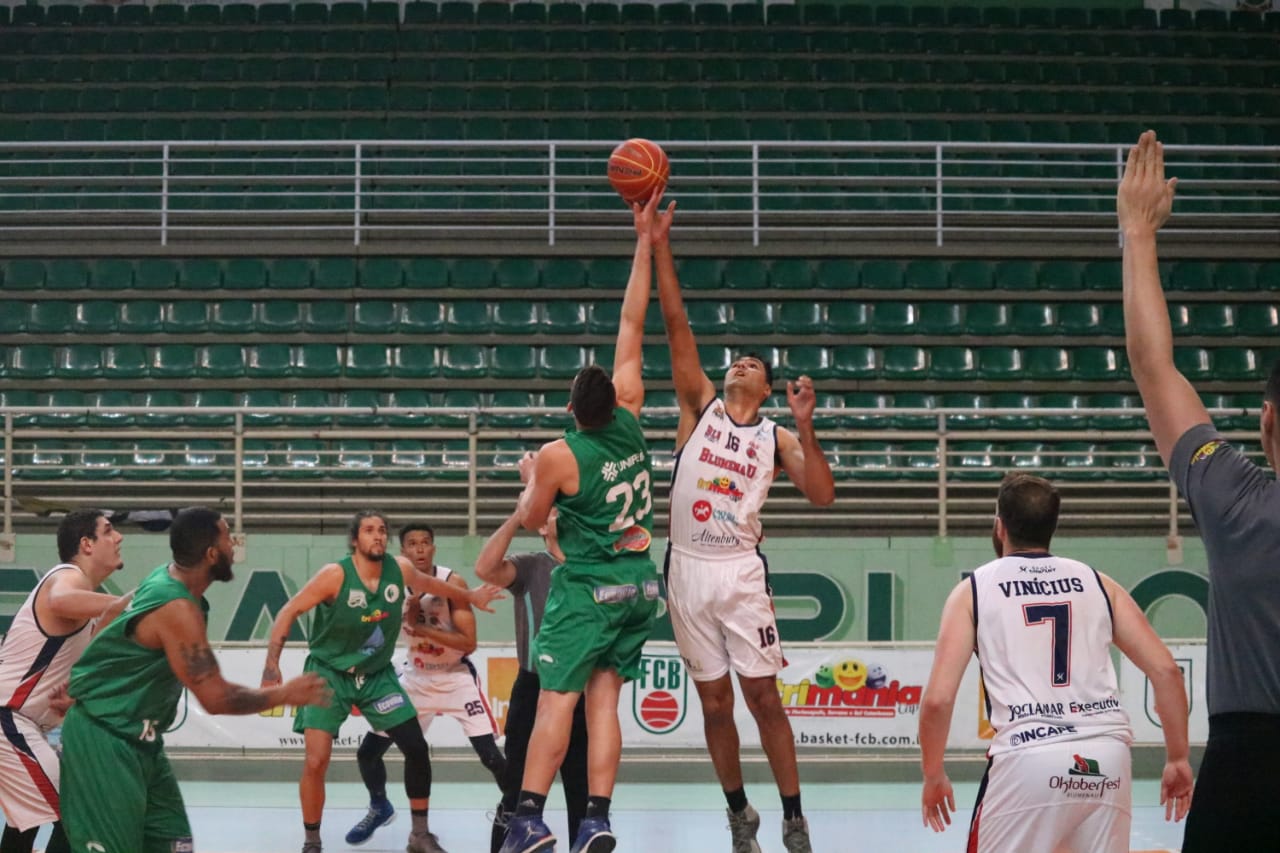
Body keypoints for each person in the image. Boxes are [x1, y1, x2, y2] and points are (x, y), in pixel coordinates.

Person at [651, 203, 835, 853]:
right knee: (717, 706)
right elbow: (675, 323)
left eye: (753, 364)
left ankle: (793, 815)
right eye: (737, 361)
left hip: (738, 571)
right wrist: (659, 244)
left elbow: (820, 495)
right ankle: (739, 812)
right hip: (684, 566)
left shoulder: (778, 435)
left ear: (768, 386)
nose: (740, 365)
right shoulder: (698, 404)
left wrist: (807, 425)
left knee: (762, 697)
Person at [1118, 129, 1280, 851]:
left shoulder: (1237, 498)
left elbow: (1155, 368)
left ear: (1267, 421)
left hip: (1247, 770)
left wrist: (1138, 234)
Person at [499, 192, 667, 853]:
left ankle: (529, 817)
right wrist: (644, 240)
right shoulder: (630, 413)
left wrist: (528, 483)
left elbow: (533, 523)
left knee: (555, 703)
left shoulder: (558, 456)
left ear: (572, 406)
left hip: (589, 588)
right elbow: (632, 318)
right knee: (605, 704)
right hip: (639, 588)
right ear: (613, 399)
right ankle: (595, 816)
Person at [918, 473, 1194, 851]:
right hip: (1107, 757)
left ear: (999, 525)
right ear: (1052, 526)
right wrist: (1178, 756)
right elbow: (1165, 671)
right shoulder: (1097, 582)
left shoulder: (974, 589)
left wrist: (933, 773)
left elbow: (937, 701)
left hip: (1027, 756)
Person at [58, 507, 329, 853]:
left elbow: (113, 611)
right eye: (228, 536)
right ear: (212, 554)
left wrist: (87, 678)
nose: (234, 544)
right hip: (104, 741)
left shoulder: (164, 579)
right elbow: (216, 699)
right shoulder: (177, 608)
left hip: (141, 743)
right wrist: (285, 694)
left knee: (175, 844)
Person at [263, 510, 502, 853]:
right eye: (369, 530)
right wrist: (272, 664)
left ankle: (420, 836)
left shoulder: (399, 569)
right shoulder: (334, 575)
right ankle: (312, 841)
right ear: (355, 540)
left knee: (416, 748)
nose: (377, 536)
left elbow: (435, 586)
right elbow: (288, 611)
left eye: (381, 530)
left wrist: (472, 597)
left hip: (376, 677)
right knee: (316, 761)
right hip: (328, 674)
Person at [344, 522, 506, 847]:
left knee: (490, 756)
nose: (419, 549)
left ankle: (518, 811)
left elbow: (469, 642)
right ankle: (380, 806)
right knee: (367, 754)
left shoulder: (451, 582)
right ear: (402, 552)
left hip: (455, 677)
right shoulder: (390, 585)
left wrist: (423, 628)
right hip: (415, 680)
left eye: (425, 543)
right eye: (412, 544)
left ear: (434, 548)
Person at [0, 510, 130, 853]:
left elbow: (87, 671)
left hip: (24, 723)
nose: (119, 538)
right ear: (86, 544)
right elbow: (60, 600)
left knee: (25, 823)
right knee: (81, 811)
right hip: (8, 720)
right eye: (109, 531)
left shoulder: (87, 598)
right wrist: (128, 605)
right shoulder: (67, 577)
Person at [476, 504, 588, 853]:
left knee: (582, 793)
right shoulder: (530, 565)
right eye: (555, 511)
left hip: (582, 692)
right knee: (516, 789)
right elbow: (485, 568)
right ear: (542, 526)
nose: (564, 515)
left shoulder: (592, 567)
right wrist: (518, 515)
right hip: (534, 688)